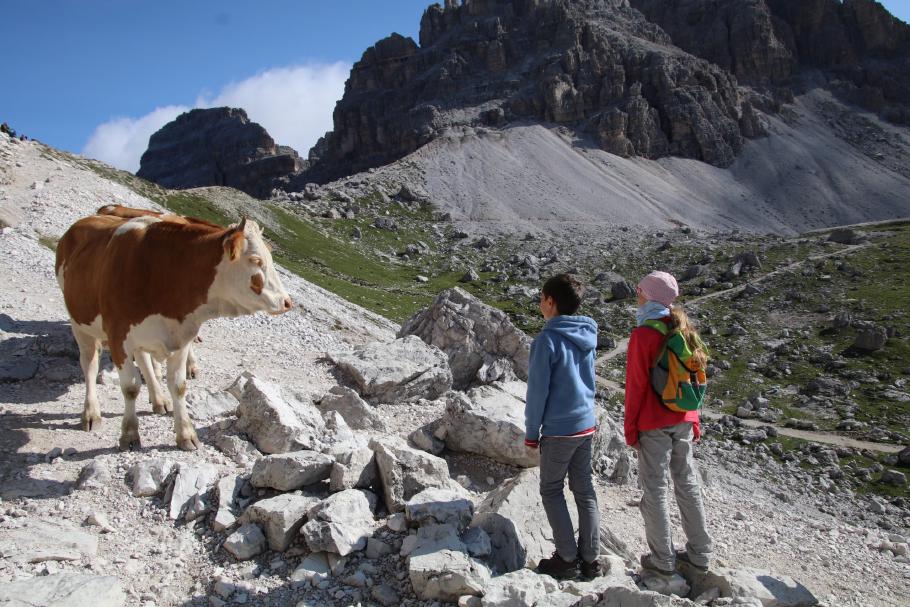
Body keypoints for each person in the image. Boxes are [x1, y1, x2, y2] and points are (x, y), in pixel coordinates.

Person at [625, 270, 712, 575]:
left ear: (646, 296)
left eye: (639, 290)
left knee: (655, 489)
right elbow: (695, 379)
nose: (636, 295)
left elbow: (636, 387)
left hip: (653, 422)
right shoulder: (686, 331)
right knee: (687, 483)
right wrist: (694, 419)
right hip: (684, 418)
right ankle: (700, 554)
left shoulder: (643, 334)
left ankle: (662, 561)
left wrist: (630, 429)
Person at [524, 273, 601, 580]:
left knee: (552, 489)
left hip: (559, 429)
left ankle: (567, 558)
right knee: (584, 490)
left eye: (542, 297)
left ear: (551, 302)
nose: (540, 303)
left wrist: (532, 434)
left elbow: (537, 392)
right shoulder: (588, 332)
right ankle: (590, 558)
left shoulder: (546, 340)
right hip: (586, 424)